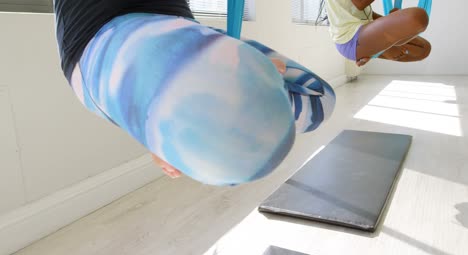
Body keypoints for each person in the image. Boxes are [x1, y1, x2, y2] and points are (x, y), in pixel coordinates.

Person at [53, 0, 336, 185]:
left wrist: (266, 69)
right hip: (142, 31)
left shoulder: (191, 55)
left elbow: (320, 97)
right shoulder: (98, 90)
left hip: (129, 29)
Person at [325, 0, 432, 66]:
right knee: (418, 17)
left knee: (424, 49)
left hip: (364, 30)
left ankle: (376, 50)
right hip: (350, 39)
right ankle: (378, 49)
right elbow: (360, 3)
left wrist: (392, 20)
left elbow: (363, 12)